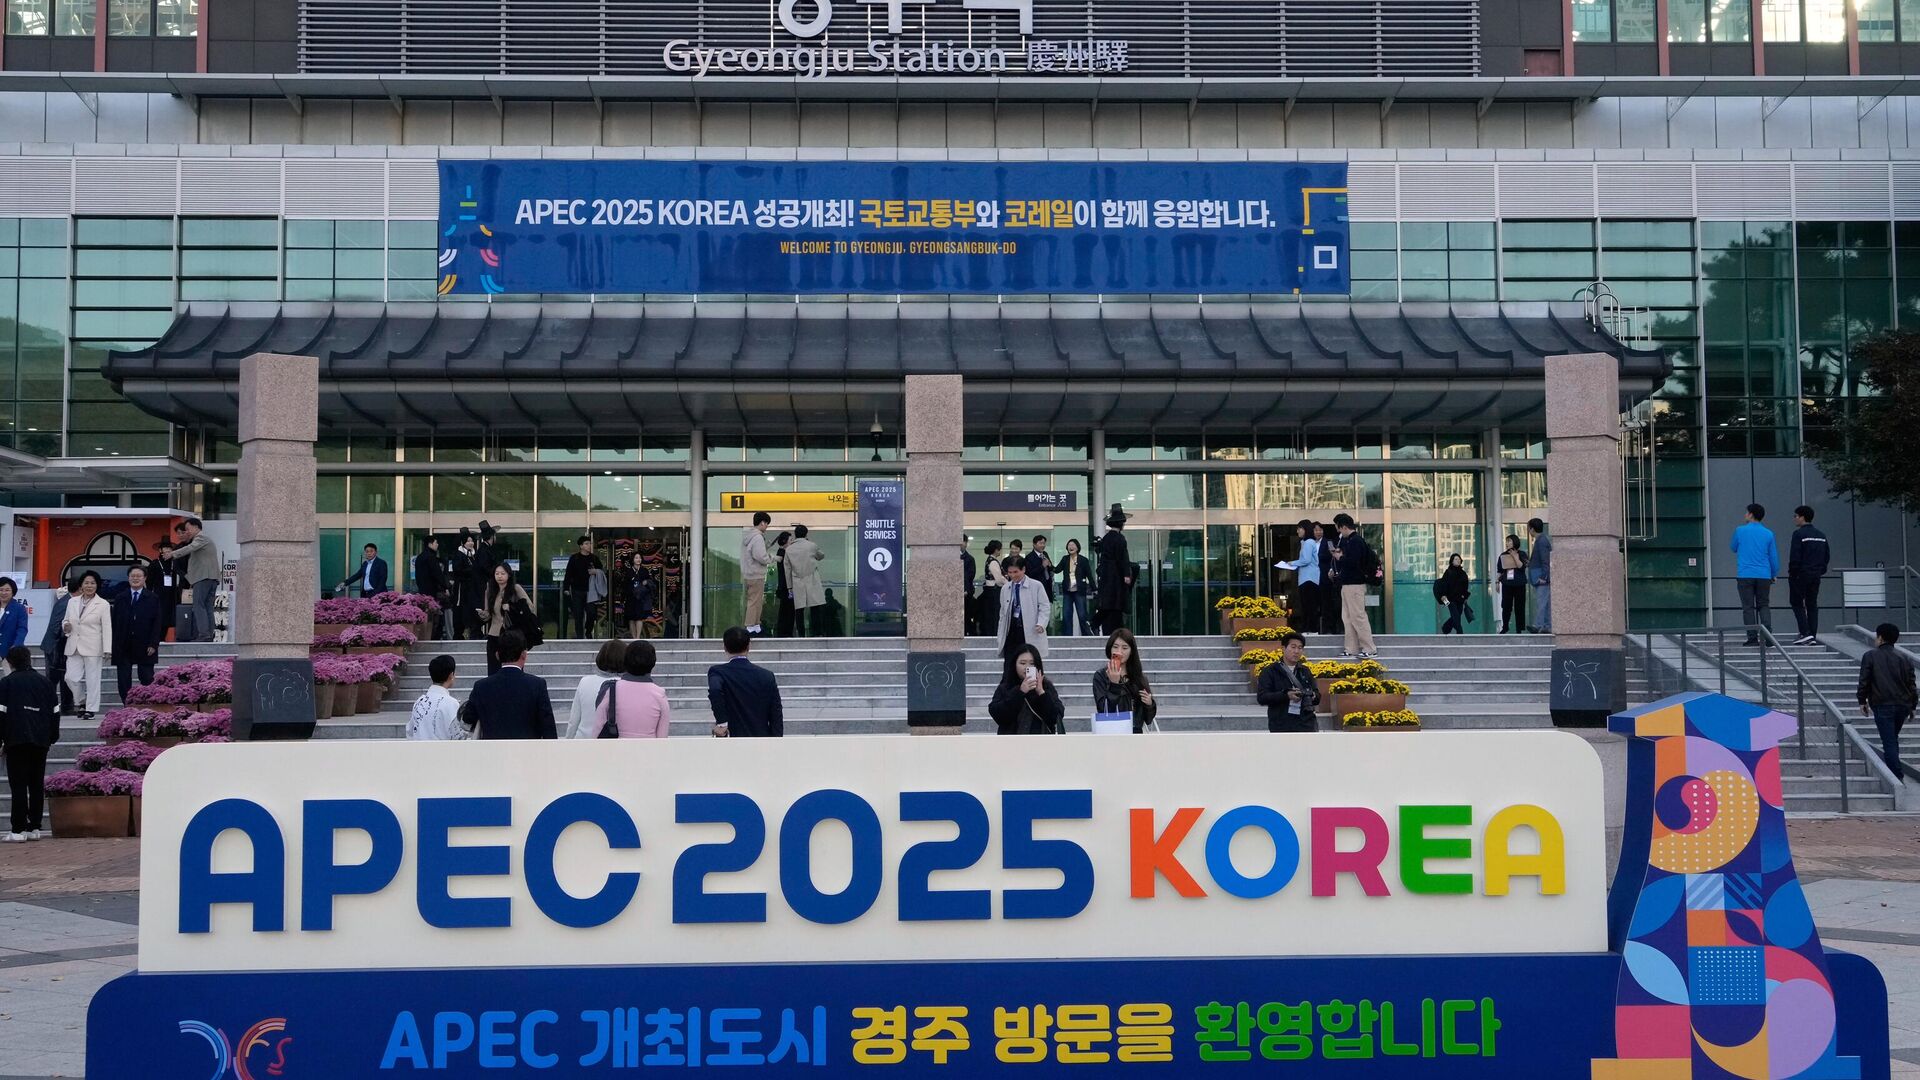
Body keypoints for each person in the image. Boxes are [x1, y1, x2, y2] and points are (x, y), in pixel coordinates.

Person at [0, 646, 59, 842]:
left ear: (10, 663)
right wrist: (51, 736)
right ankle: (34, 827)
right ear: (29, 659)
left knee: (18, 784)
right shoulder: (45, 683)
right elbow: (55, 711)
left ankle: (18, 829)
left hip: (16, 739)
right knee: (36, 784)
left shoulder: (7, 683)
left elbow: (1, 713)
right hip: (41, 740)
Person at [465, 629, 557, 740]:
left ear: (497, 655)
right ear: (524, 655)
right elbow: (548, 728)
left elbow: (467, 718)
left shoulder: (481, 687)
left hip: (492, 749)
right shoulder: (537, 685)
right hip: (528, 749)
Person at [1857, 622, 1916, 779]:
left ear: (1881, 638)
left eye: (1877, 636)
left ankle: (1896, 777)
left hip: (1882, 704)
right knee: (1892, 739)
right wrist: (1913, 706)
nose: (1875, 639)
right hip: (1902, 705)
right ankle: (1895, 773)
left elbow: (1864, 680)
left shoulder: (1870, 656)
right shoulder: (1904, 658)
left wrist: (1862, 701)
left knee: (1889, 741)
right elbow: (1911, 684)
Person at [707, 626, 783, 738]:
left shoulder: (718, 672)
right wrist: (777, 741)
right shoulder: (767, 676)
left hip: (732, 740)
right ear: (748, 646)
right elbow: (776, 715)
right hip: (761, 741)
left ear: (725, 647)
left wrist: (722, 723)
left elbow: (715, 691)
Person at [592, 639, 672, 739]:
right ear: (653, 663)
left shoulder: (611, 689)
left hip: (616, 748)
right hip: (648, 748)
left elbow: (598, 727)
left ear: (625, 661)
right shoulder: (660, 695)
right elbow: (662, 737)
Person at [61, 571, 112, 721]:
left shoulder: (103, 604)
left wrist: (107, 649)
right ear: (81, 585)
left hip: (93, 646)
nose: (89, 586)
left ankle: (91, 709)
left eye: (92, 583)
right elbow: (65, 620)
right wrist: (66, 626)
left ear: (97, 585)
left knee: (93, 680)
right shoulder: (72, 602)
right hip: (73, 645)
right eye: (86, 583)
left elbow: (107, 627)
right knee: (70, 678)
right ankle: (81, 701)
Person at [1329, 514, 1379, 660]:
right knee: (1348, 618)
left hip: (1355, 585)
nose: (1339, 532)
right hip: (1348, 584)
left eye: (1339, 529)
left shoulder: (1356, 541)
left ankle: (1369, 648)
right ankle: (1351, 648)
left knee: (1358, 616)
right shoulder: (1350, 541)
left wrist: (1340, 557)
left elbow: (1353, 562)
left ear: (1344, 527)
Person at [111, 565, 162, 703]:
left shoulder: (153, 598)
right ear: (128, 578)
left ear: (145, 578)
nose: (135, 578)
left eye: (138, 576)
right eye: (132, 576)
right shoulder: (120, 598)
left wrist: (153, 643)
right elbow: (114, 622)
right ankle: (127, 704)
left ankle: (147, 704)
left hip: (145, 644)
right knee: (123, 678)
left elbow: (157, 623)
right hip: (123, 644)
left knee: (146, 677)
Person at [1092, 627, 1158, 734]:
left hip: (1135, 734)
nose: (1119, 652)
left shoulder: (1139, 677)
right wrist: (1114, 684)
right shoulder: (1101, 676)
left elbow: (1148, 719)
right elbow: (1104, 710)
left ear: (1131, 651)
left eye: (1125, 648)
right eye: (1115, 647)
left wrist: (1149, 704)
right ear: (1110, 649)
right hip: (1112, 732)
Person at [1731, 504, 1779, 647]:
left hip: (1745, 574)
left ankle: (1752, 638)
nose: (1745, 514)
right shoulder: (1769, 533)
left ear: (1751, 514)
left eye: (1746, 512)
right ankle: (1768, 636)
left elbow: (1733, 547)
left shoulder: (1740, 530)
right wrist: (1773, 574)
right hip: (1764, 575)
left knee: (1748, 607)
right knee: (1763, 605)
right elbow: (1773, 557)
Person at [989, 645, 1065, 734]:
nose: (1027, 667)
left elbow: (1056, 717)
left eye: (1032, 664)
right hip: (1011, 740)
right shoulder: (1006, 687)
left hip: (1040, 740)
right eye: (1022, 663)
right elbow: (997, 714)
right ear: (1015, 664)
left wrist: (1041, 693)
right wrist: (1020, 692)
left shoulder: (1046, 687)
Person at [997, 557, 1051, 677]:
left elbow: (1044, 606)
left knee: (1031, 665)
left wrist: (1041, 623)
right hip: (1011, 632)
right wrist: (1000, 634)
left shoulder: (1036, 585)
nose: (1012, 575)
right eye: (1010, 572)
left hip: (1029, 630)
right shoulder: (1006, 588)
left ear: (1024, 570)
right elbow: (1002, 613)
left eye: (1016, 572)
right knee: (1009, 668)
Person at [1255, 631, 1318, 733]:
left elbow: (1317, 695)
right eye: (1293, 647)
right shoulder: (1270, 671)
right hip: (1281, 725)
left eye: (1300, 648)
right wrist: (1286, 695)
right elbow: (1262, 698)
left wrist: (1313, 696)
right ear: (1283, 648)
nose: (1296, 651)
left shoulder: (1305, 671)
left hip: (1306, 724)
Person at [172, 516, 221, 642]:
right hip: (210, 578)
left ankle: (204, 634)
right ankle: (208, 634)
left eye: (187, 529)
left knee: (199, 606)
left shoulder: (200, 538)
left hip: (203, 577)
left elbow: (189, 548)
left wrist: (172, 554)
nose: (186, 532)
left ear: (196, 527)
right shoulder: (204, 539)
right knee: (208, 607)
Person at [480, 563, 534, 675]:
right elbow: (488, 613)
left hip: (512, 634)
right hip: (494, 634)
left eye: (502, 573)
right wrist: (483, 614)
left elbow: (530, 607)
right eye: (497, 573)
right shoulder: (490, 590)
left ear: (509, 575)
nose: (499, 576)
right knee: (493, 669)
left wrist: (512, 607)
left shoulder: (515, 589)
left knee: (514, 668)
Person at [1788, 505, 1831, 646]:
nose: (1794, 519)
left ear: (1802, 517)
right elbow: (1826, 556)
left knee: (1796, 602)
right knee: (1812, 604)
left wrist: (1793, 573)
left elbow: (1795, 556)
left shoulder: (1798, 534)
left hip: (1801, 574)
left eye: (1795, 516)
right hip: (1815, 575)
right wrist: (1820, 570)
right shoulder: (1821, 535)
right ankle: (1812, 634)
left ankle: (1805, 633)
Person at [567, 638, 626, 738]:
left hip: (584, 739)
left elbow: (574, 720)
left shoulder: (585, 681)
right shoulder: (627, 686)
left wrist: (568, 740)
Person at [406, 654, 468, 741]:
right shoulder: (451, 703)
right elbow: (458, 737)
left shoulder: (419, 701)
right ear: (451, 675)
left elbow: (410, 731)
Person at [1276, 520, 1321, 636]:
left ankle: (1312, 629)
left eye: (1299, 528)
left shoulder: (1309, 542)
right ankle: (1309, 629)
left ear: (1305, 529)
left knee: (1309, 605)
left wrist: (1291, 563)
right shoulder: (1305, 542)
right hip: (1307, 578)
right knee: (1306, 605)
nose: (1297, 531)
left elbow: (1306, 560)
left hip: (1309, 579)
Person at [1094, 505, 1133, 634]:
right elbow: (1123, 557)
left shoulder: (1106, 538)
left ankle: (1101, 625)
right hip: (1116, 576)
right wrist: (1126, 574)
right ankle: (1097, 623)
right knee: (1116, 604)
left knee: (1110, 604)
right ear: (1121, 524)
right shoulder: (1120, 538)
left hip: (1106, 575)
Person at [40, 580, 78, 716]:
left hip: (60, 646)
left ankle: (66, 707)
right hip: (56, 647)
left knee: (64, 677)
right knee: (54, 679)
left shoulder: (69, 601)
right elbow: (57, 626)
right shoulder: (66, 603)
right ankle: (49, 707)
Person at [784, 524, 827, 636]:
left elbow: (787, 570)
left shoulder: (789, 549)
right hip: (812, 579)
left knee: (799, 609)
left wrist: (789, 587)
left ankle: (801, 634)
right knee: (815, 607)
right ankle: (817, 633)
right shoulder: (812, 546)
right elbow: (821, 556)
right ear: (806, 534)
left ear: (795, 535)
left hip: (797, 581)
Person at [741, 512, 774, 635]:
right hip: (756, 574)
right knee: (755, 601)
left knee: (756, 600)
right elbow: (760, 556)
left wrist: (765, 547)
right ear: (762, 523)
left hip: (749, 573)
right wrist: (771, 558)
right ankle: (750, 625)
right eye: (767, 524)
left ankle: (755, 624)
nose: (767, 526)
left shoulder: (749, 537)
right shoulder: (758, 537)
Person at [562, 536, 602, 639]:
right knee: (578, 615)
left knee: (591, 613)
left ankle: (588, 631)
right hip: (577, 590)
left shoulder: (594, 558)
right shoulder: (574, 558)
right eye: (586, 544)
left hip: (591, 591)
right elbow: (568, 574)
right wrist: (566, 588)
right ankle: (580, 636)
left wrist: (596, 571)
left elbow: (602, 572)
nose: (589, 546)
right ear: (581, 546)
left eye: (590, 543)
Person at [1054, 538, 1096, 636]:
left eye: (1073, 545)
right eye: (1069, 545)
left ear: (1077, 548)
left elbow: (1089, 575)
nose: (1071, 547)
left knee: (1082, 615)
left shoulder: (1083, 560)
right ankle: (1067, 637)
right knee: (1066, 615)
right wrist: (1049, 566)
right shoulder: (1065, 559)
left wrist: (1094, 589)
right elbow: (1057, 570)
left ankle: (1086, 636)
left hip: (1079, 590)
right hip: (1067, 591)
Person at [413, 535, 451, 639]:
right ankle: (434, 637)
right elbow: (437, 574)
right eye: (436, 543)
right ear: (430, 544)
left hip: (423, 591)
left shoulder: (420, 557)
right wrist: (445, 587)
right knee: (435, 616)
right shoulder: (431, 557)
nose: (437, 545)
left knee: (426, 615)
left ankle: (426, 636)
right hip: (433, 591)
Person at [1497, 534, 1529, 634]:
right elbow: (1499, 570)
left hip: (1519, 584)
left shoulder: (1522, 554)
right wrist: (1497, 582)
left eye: (1509, 541)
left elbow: (1521, 566)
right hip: (1507, 584)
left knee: (1519, 607)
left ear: (1515, 542)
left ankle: (1519, 628)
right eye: (1506, 541)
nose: (1507, 543)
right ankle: (1505, 627)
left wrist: (1515, 556)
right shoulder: (1503, 555)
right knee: (1506, 606)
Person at [446, 530, 476, 640]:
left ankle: (468, 631)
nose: (471, 543)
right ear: (463, 543)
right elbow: (457, 570)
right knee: (460, 609)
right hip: (461, 587)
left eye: (472, 541)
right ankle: (459, 633)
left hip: (470, 588)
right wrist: (471, 570)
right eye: (468, 541)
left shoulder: (473, 555)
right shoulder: (459, 554)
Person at [1526, 517, 1554, 635]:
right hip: (1543, 577)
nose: (1528, 531)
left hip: (1542, 579)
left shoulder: (1541, 541)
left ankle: (1538, 625)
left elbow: (1545, 560)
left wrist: (1544, 577)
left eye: (1528, 528)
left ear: (1532, 529)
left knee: (1541, 602)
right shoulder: (1541, 540)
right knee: (1545, 603)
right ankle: (1547, 626)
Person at [152, 539, 182, 643]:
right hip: (159, 595)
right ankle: (158, 639)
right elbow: (149, 581)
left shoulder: (175, 563)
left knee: (171, 618)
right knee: (160, 617)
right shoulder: (155, 563)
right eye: (165, 548)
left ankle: (165, 638)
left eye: (170, 548)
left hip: (173, 595)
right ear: (160, 550)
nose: (168, 550)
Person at [1435, 553, 1471, 635]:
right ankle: (1460, 633)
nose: (1458, 560)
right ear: (1452, 561)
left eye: (1459, 559)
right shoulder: (1448, 572)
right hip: (1449, 599)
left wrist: (1465, 597)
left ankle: (1445, 628)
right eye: (1456, 559)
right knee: (1455, 615)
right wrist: (1443, 595)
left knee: (1457, 615)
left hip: (1460, 599)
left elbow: (1465, 587)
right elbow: (1444, 584)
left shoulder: (1463, 574)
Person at [1316, 522, 1341, 636]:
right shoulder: (1309, 543)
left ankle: (1329, 628)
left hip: (1325, 577)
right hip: (1313, 577)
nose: (1318, 532)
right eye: (1316, 530)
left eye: (1320, 530)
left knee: (1327, 603)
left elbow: (1333, 557)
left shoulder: (1329, 542)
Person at [771, 531, 796, 638]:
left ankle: (785, 631)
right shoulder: (782, 552)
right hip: (786, 586)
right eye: (790, 540)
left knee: (786, 610)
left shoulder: (782, 551)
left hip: (784, 585)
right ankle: (786, 631)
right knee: (787, 610)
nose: (792, 542)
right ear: (785, 541)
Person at [979, 540, 1005, 638]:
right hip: (994, 591)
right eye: (999, 549)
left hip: (990, 591)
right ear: (996, 550)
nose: (1000, 551)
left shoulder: (989, 560)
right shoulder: (993, 562)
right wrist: (1008, 583)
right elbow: (998, 579)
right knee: (994, 614)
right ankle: (994, 634)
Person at [628, 561, 659, 639]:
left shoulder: (644, 571)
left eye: (639, 558)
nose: (638, 560)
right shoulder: (629, 571)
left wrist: (645, 583)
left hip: (641, 599)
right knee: (631, 618)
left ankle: (637, 637)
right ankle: (634, 637)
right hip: (631, 598)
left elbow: (650, 585)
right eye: (636, 558)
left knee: (639, 618)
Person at [0, 576, 27, 655]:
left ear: (13, 592)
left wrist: (16, 646)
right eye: (1, 590)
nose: (3, 593)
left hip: (10, 652)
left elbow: (22, 629)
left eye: (7, 590)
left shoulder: (19, 608)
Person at [1025, 535, 1055, 603]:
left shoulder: (1045, 554)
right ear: (1034, 544)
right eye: (1040, 543)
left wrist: (1050, 566)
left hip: (1047, 585)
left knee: (1046, 605)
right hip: (1036, 587)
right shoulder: (1029, 557)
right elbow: (1029, 574)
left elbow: (1050, 568)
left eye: (1044, 543)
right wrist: (1042, 566)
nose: (1043, 545)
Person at [961, 538, 978, 636]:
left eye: (963, 542)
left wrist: (966, 590)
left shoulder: (970, 559)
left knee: (966, 616)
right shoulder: (952, 557)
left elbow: (970, 576)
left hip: (966, 593)